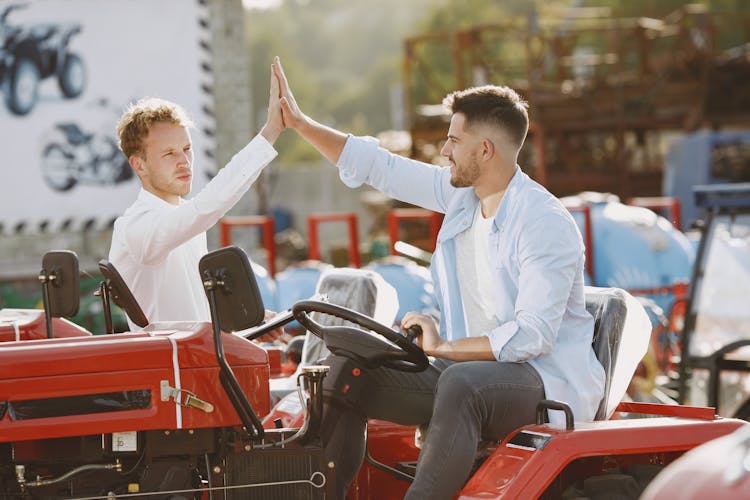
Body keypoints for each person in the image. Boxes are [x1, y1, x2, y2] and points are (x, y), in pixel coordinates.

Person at [272, 58, 605, 499]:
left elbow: (531, 338)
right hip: (464, 372)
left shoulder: (543, 222)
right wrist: (299, 124)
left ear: (484, 150)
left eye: (453, 140)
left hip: (538, 381)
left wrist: (443, 347)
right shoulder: (463, 196)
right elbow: (380, 167)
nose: (444, 151)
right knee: (348, 368)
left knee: (461, 384)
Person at [109, 59, 284, 331]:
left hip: (201, 367)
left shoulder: (183, 218)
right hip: (169, 372)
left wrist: (249, 327)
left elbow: (196, 318)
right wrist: (269, 133)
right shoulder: (135, 226)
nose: (184, 161)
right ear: (138, 164)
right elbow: (205, 209)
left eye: (187, 148)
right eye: (169, 153)